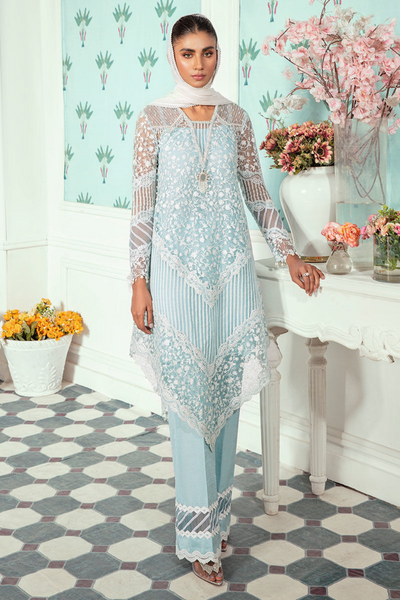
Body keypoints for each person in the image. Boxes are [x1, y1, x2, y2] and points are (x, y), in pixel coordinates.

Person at [129, 13, 324, 586]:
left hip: (232, 271)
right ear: (172, 55)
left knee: (225, 394)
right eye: (188, 53)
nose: (199, 63)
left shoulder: (236, 118)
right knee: (187, 398)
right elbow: (142, 204)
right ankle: (197, 540)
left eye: (208, 52)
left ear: (218, 53)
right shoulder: (153, 120)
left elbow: (258, 195)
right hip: (173, 274)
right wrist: (137, 280)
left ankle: (214, 523)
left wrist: (289, 253)